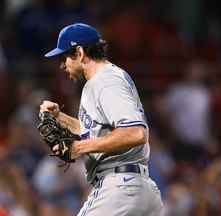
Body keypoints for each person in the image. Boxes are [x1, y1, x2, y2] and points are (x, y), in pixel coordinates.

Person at [39, 23, 163, 216]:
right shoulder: (102, 81)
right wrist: (60, 117)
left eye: (65, 57)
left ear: (79, 53)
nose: (62, 64)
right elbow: (94, 132)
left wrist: (78, 148)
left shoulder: (105, 81)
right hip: (134, 188)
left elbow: (135, 133)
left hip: (120, 188)